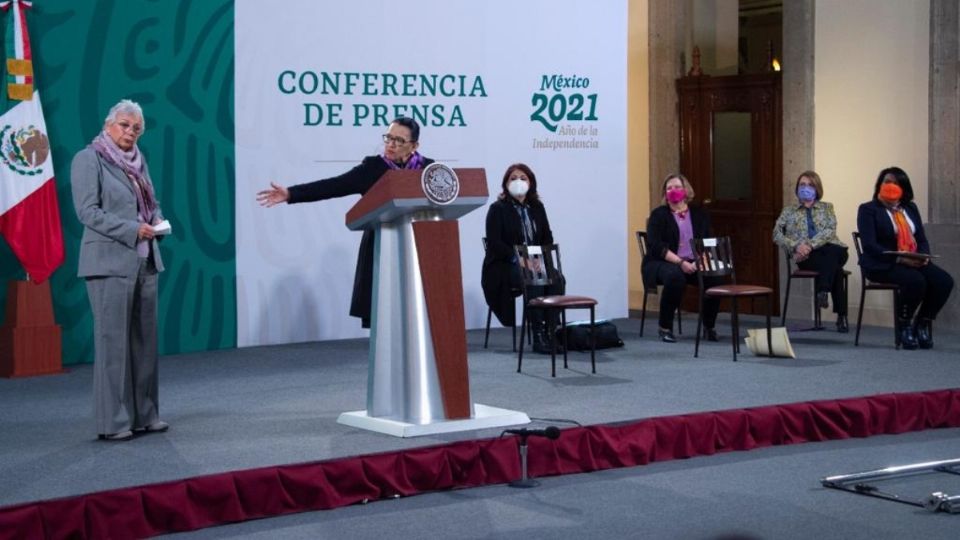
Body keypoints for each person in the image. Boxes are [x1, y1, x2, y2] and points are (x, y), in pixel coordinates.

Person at [256, 117, 433, 328]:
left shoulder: (429, 170)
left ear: (414, 146)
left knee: (417, 317)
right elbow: (334, 185)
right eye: (388, 138)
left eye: (399, 140)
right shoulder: (373, 168)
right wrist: (291, 194)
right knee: (384, 317)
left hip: (419, 248)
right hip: (382, 248)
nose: (391, 144)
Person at [71, 99, 169, 441]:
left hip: (145, 260)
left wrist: (155, 219)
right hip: (108, 263)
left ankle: (146, 414)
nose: (130, 132)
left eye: (136, 128)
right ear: (108, 124)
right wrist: (132, 229)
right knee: (112, 344)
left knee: (145, 343)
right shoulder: (89, 159)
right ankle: (113, 422)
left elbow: (150, 203)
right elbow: (88, 212)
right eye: (125, 125)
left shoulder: (139, 163)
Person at [856, 166, 954, 350]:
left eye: (896, 183)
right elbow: (870, 245)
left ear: (904, 188)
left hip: (912, 259)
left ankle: (922, 323)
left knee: (944, 282)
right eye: (887, 181)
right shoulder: (868, 209)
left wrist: (923, 256)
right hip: (882, 263)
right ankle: (904, 324)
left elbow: (921, 238)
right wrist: (899, 259)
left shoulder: (910, 208)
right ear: (879, 185)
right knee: (916, 282)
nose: (891, 186)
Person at [481, 163, 564, 354]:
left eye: (523, 178)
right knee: (532, 279)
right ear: (506, 184)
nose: (518, 182)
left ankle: (551, 331)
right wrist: (520, 259)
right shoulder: (497, 209)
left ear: (531, 183)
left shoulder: (537, 207)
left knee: (557, 279)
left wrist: (538, 258)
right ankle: (537, 336)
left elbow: (547, 237)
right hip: (505, 265)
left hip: (535, 261)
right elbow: (495, 243)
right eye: (513, 178)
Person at [641, 173, 721, 343]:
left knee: (715, 276)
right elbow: (655, 246)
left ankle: (709, 326)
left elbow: (706, 241)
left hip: (692, 261)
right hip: (661, 262)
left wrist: (702, 261)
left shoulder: (699, 214)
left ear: (686, 190)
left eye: (677, 187)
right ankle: (665, 327)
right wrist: (680, 262)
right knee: (675, 276)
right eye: (669, 188)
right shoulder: (659, 214)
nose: (673, 191)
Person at [773, 170, 850, 332]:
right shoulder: (789, 211)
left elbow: (830, 230)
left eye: (810, 185)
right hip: (808, 257)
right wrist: (795, 246)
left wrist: (809, 245)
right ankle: (840, 315)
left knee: (833, 251)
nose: (805, 188)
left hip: (829, 249)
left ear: (817, 189)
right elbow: (776, 234)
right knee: (835, 268)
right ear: (797, 188)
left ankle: (823, 289)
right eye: (802, 184)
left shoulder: (827, 207)